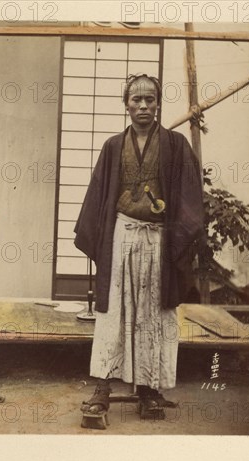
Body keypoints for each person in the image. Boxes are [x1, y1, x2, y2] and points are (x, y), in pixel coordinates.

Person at [74, 74, 205, 422]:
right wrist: (99, 240)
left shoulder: (176, 145)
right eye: (136, 100)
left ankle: (150, 390)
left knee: (153, 315)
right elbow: (98, 200)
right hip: (121, 236)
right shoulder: (113, 146)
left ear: (158, 102)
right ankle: (103, 386)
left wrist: (177, 241)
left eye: (150, 99)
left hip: (160, 242)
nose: (143, 106)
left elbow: (191, 198)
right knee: (113, 310)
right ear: (126, 104)